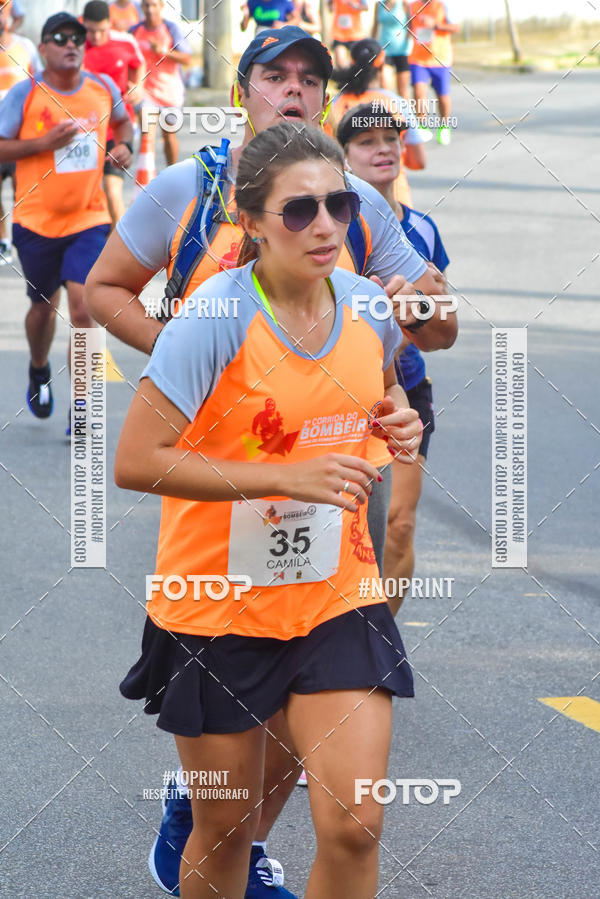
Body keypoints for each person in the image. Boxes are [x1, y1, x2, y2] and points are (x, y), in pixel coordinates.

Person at [85, 25, 457, 897]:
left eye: (340, 207)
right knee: (226, 828)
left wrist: (398, 421)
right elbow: (136, 461)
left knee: (356, 822)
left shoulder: (365, 301)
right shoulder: (211, 306)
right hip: (218, 596)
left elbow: (394, 376)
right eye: (301, 210)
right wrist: (212, 387)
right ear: (251, 223)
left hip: (336, 589)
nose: (327, 224)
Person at [337, 100, 450, 612]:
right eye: (366, 142)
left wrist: (409, 313)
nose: (383, 149)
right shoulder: (325, 222)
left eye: (391, 139)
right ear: (342, 157)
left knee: (398, 525)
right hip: (339, 392)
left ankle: (380, 643)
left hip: (403, 387)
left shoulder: (422, 228)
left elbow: (442, 325)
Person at [0, 12, 132, 427]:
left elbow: (126, 123)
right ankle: (39, 368)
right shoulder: (25, 94)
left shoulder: (103, 88)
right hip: (35, 221)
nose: (71, 43)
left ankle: (83, 403)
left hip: (88, 219)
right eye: (60, 38)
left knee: (82, 307)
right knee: (42, 307)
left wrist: (123, 147)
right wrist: (42, 142)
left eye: (76, 37)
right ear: (42, 49)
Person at [328, 37, 426, 205]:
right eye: (365, 142)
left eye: (390, 138)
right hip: (397, 201)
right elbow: (418, 161)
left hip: (350, 204)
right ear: (382, 65)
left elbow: (329, 160)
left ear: (352, 62)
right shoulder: (397, 103)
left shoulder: (333, 106)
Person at [83, 0, 144, 225]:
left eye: (101, 30)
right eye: (90, 31)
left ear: (110, 24)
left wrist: (139, 86)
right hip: (86, 129)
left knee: (111, 188)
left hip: (118, 128)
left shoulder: (125, 41)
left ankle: (121, 243)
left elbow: (140, 64)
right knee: (88, 194)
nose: (96, 37)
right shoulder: (76, 47)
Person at [0, 5, 41, 263]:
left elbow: (41, 84)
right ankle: (3, 240)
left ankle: (21, 236)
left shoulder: (25, 46)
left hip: (20, 136)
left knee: (21, 189)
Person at [130, 0, 191, 167]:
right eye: (147, 5)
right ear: (142, 7)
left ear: (161, 6)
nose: (150, 9)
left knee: (169, 137)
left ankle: (171, 171)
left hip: (169, 92)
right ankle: (147, 177)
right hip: (146, 93)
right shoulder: (135, 31)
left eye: (154, 5)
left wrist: (164, 51)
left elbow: (186, 58)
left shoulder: (171, 29)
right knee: (147, 136)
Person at [407, 0, 459, 145]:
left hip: (440, 59)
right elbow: (409, 27)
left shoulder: (443, 5)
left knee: (442, 96)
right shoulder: (413, 6)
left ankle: (444, 126)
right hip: (418, 58)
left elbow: (455, 28)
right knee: (418, 91)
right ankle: (422, 125)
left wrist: (435, 25)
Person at [372, 0, 412, 98]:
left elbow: (411, 26)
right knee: (385, 87)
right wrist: (371, 45)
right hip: (384, 51)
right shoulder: (379, 5)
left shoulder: (404, 4)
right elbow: (375, 26)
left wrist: (409, 42)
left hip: (402, 51)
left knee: (402, 90)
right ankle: (389, 112)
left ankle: (405, 113)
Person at [328, 0, 369, 68]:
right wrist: (331, 5)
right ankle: (345, 76)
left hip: (356, 34)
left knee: (357, 64)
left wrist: (354, 5)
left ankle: (352, 76)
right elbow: (330, 7)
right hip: (339, 33)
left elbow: (365, 7)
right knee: (340, 62)